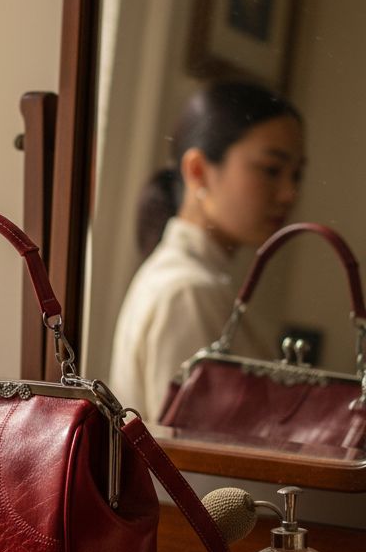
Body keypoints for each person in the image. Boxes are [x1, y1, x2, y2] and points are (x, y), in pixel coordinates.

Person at [108, 81, 305, 421]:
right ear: (198, 171)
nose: (289, 193)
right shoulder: (188, 291)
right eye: (271, 170)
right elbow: (197, 467)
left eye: (296, 175)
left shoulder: (194, 283)